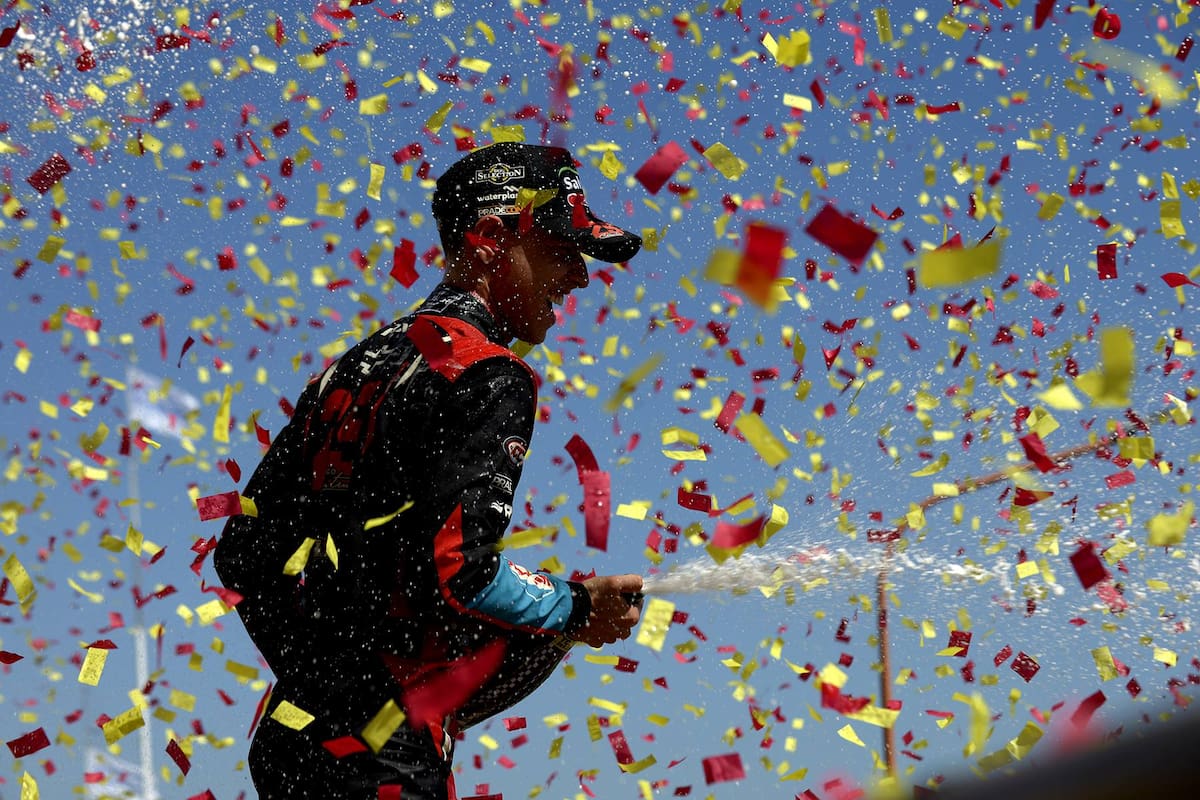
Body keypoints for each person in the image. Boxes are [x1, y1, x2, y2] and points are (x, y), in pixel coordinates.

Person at [214, 142, 644, 799]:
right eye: (562, 249)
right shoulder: (486, 372)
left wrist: (326, 678)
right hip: (384, 765)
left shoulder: (357, 363)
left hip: (292, 741)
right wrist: (576, 605)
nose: (580, 276)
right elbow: (460, 572)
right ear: (493, 240)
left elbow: (242, 550)